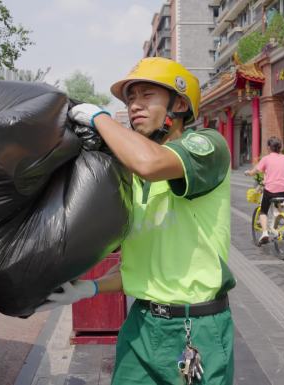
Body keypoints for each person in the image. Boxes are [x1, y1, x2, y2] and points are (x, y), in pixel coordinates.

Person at [36, 57, 235, 385]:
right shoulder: (131, 177)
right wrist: (90, 288)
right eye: (130, 99)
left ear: (180, 104)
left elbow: (150, 162)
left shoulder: (207, 147)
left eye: (146, 96)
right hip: (142, 324)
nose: (134, 106)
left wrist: (99, 118)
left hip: (196, 329)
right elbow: (139, 268)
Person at [244, 137, 284, 243]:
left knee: (263, 211)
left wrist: (248, 172)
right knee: (278, 203)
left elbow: (255, 171)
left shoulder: (266, 159)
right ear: (280, 148)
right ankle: (279, 219)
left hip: (270, 190)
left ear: (269, 148)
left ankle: (264, 233)